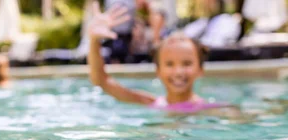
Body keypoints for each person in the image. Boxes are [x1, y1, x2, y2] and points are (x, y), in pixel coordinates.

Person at [87, 2, 225, 113]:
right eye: (170, 64)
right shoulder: (149, 102)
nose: (178, 72)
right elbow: (101, 81)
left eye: (187, 63)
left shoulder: (211, 110)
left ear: (200, 69)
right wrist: (94, 41)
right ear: (158, 70)